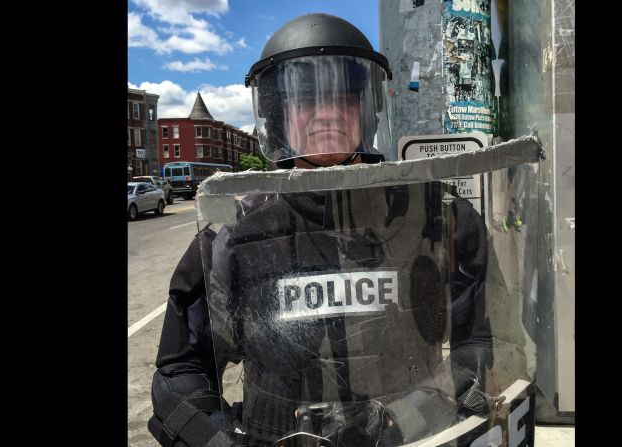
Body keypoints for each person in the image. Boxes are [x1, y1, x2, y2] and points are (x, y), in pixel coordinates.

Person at [148, 13, 493, 447]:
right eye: (306, 99)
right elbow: (180, 372)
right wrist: (217, 439)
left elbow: (478, 341)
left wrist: (407, 419)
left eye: (345, 98)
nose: (327, 113)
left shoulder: (436, 217)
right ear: (279, 115)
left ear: (369, 111)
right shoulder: (232, 235)